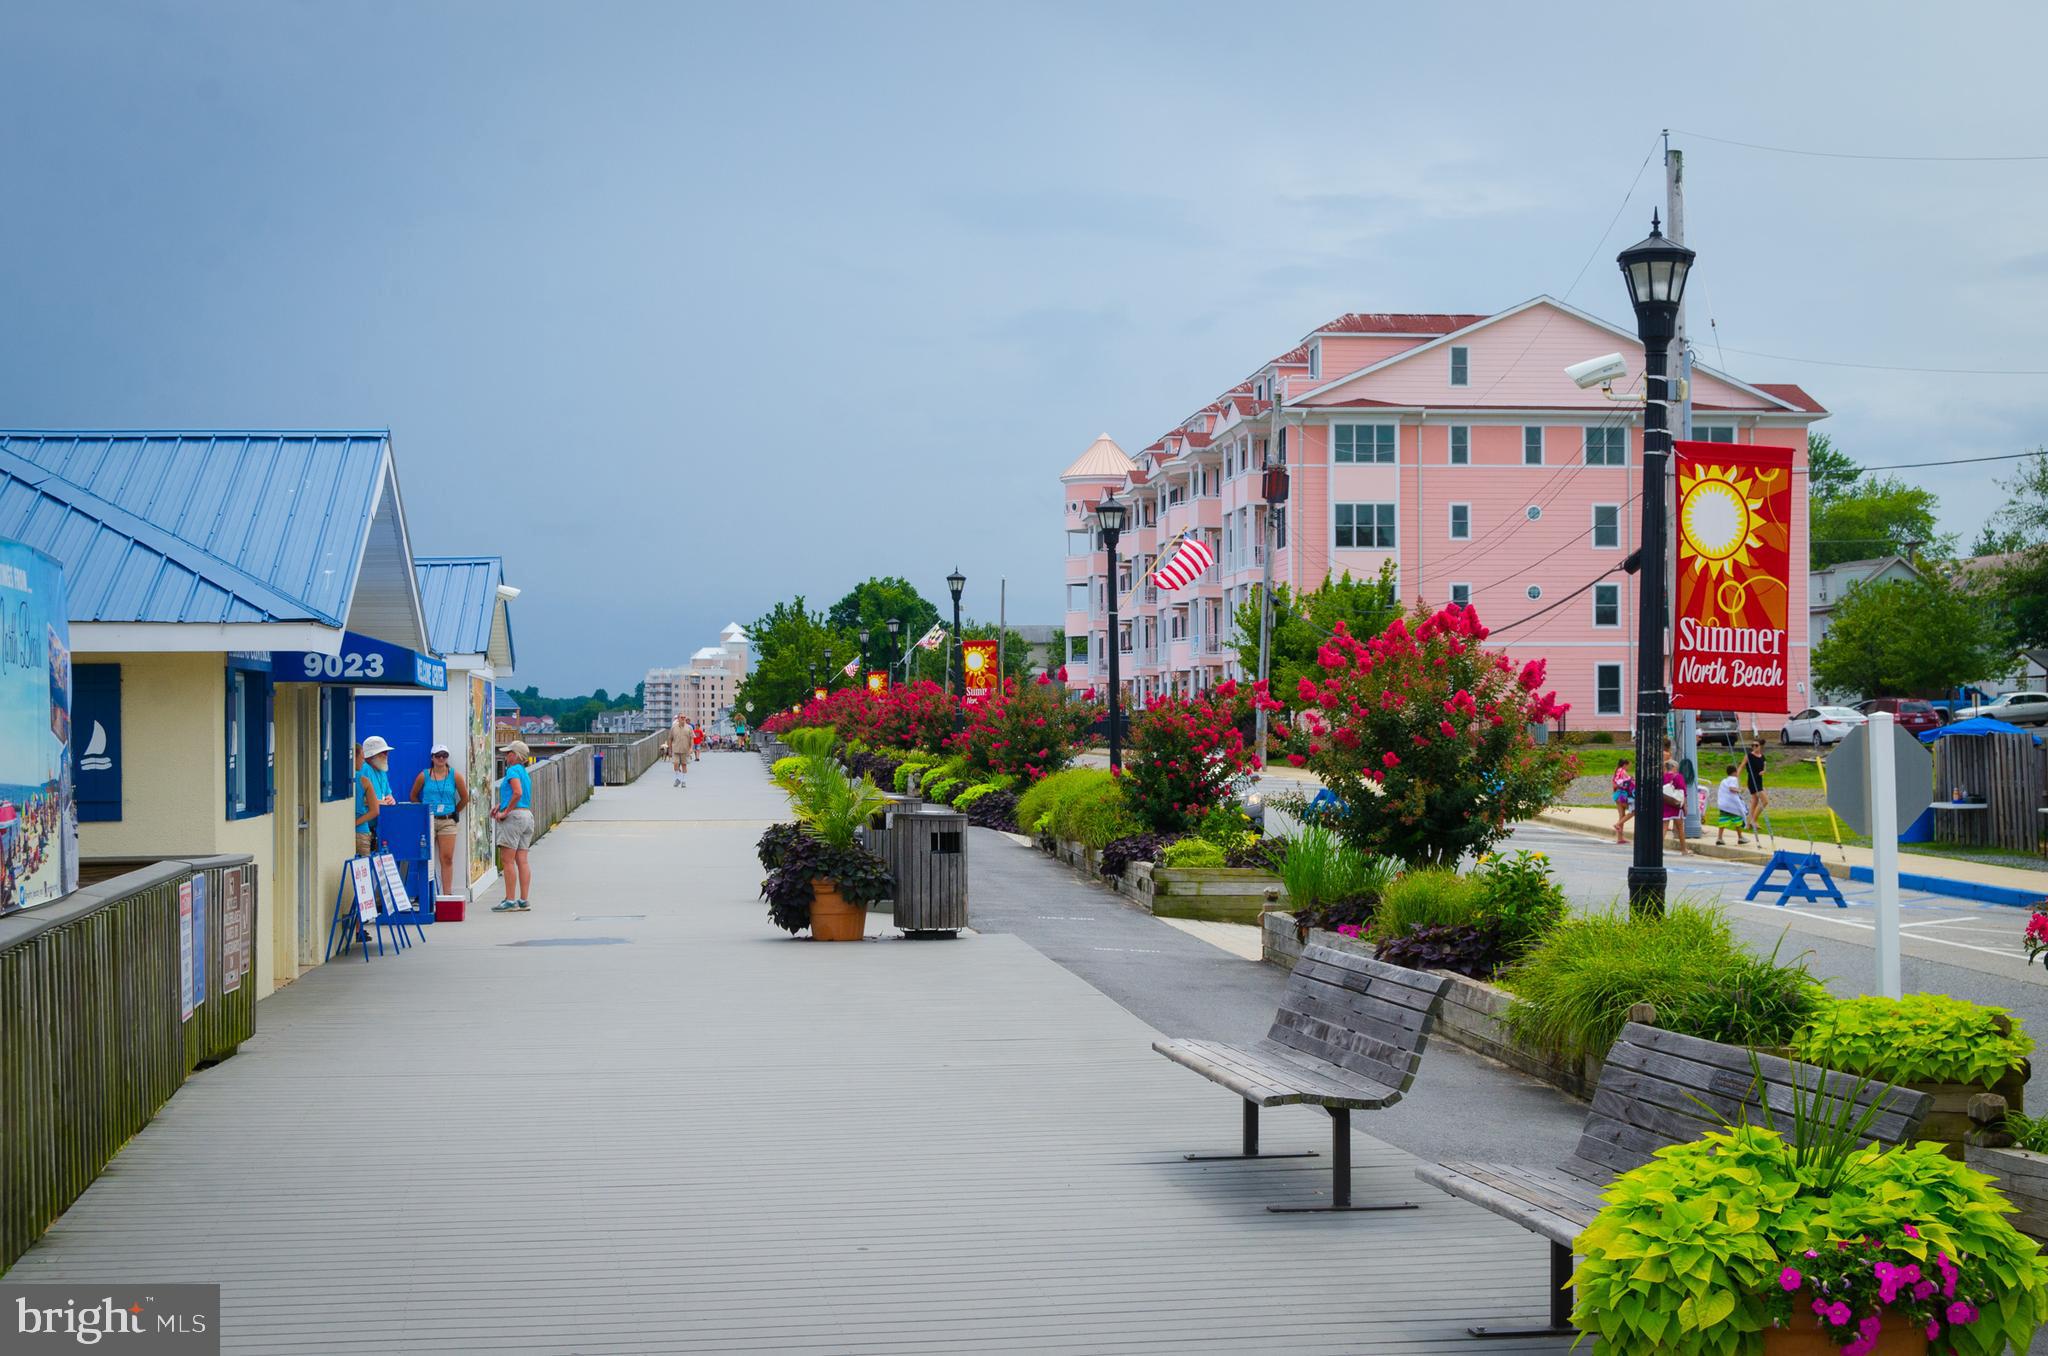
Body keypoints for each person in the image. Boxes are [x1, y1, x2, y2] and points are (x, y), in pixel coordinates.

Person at [410, 743, 470, 896]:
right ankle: (424, 894)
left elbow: (465, 797)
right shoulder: (424, 775)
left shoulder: (454, 775)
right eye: (438, 755)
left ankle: (447, 894)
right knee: (425, 857)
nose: (441, 758)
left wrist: (455, 811)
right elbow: (413, 796)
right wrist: (422, 811)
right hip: (428, 819)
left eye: (444, 755)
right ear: (432, 758)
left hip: (447, 821)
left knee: (447, 858)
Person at [492, 741, 534, 912]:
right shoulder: (524, 772)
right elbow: (517, 794)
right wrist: (500, 805)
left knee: (507, 861)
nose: (506, 755)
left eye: (509, 753)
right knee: (522, 861)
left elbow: (517, 792)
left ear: (516, 755)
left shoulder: (512, 770)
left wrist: (505, 812)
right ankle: (524, 900)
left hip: (514, 817)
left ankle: (510, 900)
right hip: (526, 816)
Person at [354, 735, 397, 857]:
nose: (387, 756)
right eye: (384, 753)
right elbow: (360, 799)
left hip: (378, 828)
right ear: (373, 755)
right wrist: (381, 802)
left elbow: (388, 793)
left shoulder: (382, 770)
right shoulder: (364, 769)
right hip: (364, 825)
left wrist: (390, 799)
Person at [1714, 764, 1751, 846]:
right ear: (1734, 772)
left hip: (1724, 805)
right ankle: (1740, 837)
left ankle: (1719, 838)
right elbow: (1731, 788)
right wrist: (1739, 790)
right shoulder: (1734, 779)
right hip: (1732, 806)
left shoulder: (1724, 781)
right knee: (1738, 820)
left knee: (1723, 820)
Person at [1662, 748, 1689, 856]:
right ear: (1673, 767)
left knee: (1664, 826)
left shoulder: (1663, 777)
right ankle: (1684, 849)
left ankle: (1659, 848)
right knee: (1680, 828)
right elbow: (1683, 791)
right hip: (1676, 805)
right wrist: (1685, 806)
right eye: (1676, 767)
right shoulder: (1678, 777)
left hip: (1665, 804)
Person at [1744, 738, 1770, 830]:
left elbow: (1764, 768)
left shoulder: (1762, 757)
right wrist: (1735, 776)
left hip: (1759, 781)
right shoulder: (1749, 756)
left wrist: (1763, 771)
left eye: (1756, 745)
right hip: (1752, 780)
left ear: (1760, 746)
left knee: (1754, 802)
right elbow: (1742, 765)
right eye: (1752, 745)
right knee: (1765, 801)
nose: (1754, 747)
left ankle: (1747, 824)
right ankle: (1753, 821)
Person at [1610, 757, 1635, 845]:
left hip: (1617, 795)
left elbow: (1614, 784)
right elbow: (1626, 784)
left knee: (1622, 815)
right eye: (1629, 765)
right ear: (1625, 765)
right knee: (1633, 811)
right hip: (1623, 795)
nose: (1629, 767)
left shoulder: (1617, 771)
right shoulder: (1623, 772)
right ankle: (1617, 824)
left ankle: (1620, 838)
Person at [670, 716, 693, 787]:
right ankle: (678, 778)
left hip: (685, 749)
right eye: (681, 717)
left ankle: (683, 781)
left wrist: (691, 748)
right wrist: (670, 749)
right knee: (675, 764)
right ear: (678, 719)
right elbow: (670, 738)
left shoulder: (689, 727)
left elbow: (692, 738)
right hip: (675, 749)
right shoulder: (673, 727)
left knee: (684, 765)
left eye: (684, 717)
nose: (683, 719)